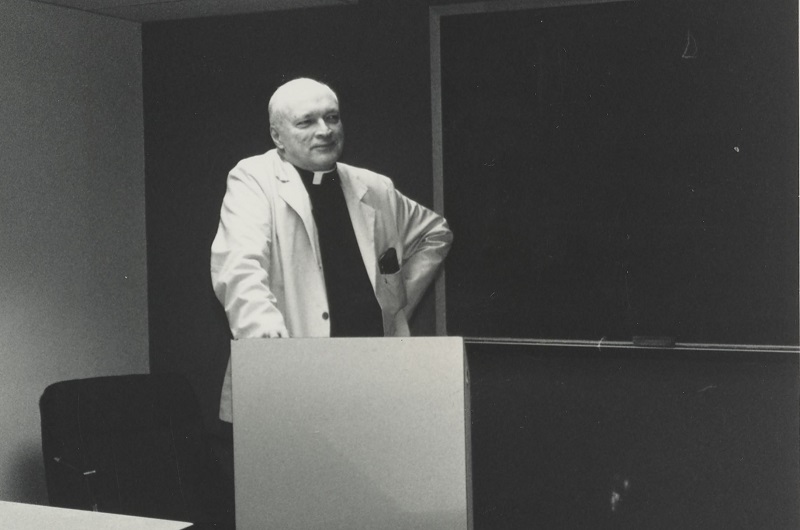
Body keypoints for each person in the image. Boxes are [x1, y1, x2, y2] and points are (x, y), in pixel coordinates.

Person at [210, 77, 453, 423]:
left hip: (372, 377)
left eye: (332, 118)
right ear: (278, 137)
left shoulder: (373, 186)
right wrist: (265, 337)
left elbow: (435, 233)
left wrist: (396, 304)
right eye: (306, 122)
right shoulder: (253, 179)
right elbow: (239, 267)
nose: (324, 130)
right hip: (291, 379)